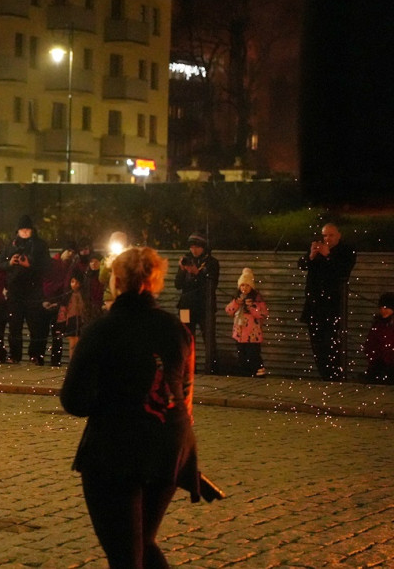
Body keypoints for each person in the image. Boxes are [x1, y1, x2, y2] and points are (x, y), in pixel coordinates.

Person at [60, 246, 200, 569]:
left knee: (126, 555)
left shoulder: (100, 331)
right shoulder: (177, 330)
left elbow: (74, 400)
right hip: (168, 448)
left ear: (116, 281)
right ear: (155, 281)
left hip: (115, 452)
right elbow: (185, 394)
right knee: (140, 546)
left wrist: (111, 401)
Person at [298, 223, 356, 380]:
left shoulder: (346, 250)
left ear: (339, 235)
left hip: (331, 307)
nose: (327, 239)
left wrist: (328, 255)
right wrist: (311, 255)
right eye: (324, 235)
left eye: (330, 235)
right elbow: (302, 265)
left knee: (331, 345)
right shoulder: (318, 249)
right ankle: (325, 378)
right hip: (314, 306)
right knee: (317, 347)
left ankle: (335, 379)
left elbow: (343, 271)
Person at [4, 215, 51, 365]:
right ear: (17, 230)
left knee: (35, 325)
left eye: (27, 229)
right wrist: (10, 263)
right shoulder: (10, 245)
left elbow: (46, 266)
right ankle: (14, 355)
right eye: (22, 229)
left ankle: (35, 355)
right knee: (14, 326)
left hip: (33, 290)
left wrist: (30, 265)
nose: (24, 232)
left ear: (32, 230)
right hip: (15, 290)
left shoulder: (40, 245)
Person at [174, 232, 221, 373]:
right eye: (192, 247)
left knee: (209, 339)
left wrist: (197, 272)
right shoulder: (186, 260)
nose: (194, 250)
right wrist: (183, 271)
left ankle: (212, 370)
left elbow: (211, 285)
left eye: (197, 247)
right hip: (185, 306)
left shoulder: (212, 263)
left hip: (204, 307)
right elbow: (177, 285)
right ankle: (188, 369)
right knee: (185, 338)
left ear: (203, 247)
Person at [224, 268, 269, 377]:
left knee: (254, 355)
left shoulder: (257, 298)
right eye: (242, 285)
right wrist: (236, 303)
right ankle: (245, 376)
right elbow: (229, 311)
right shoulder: (237, 298)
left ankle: (259, 374)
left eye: (247, 285)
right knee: (242, 356)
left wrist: (251, 306)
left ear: (252, 287)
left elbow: (263, 314)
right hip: (239, 334)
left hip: (253, 335)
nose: (244, 288)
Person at [363, 293, 394, 384]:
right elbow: (370, 343)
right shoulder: (378, 324)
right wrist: (374, 358)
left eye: (386, 308)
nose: (383, 311)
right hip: (378, 367)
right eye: (381, 308)